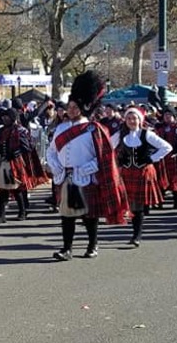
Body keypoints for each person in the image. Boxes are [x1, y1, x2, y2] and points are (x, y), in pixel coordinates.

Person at [46, 71, 131, 260]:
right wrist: (55, 166)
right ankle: (66, 249)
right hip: (65, 177)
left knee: (88, 215)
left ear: (83, 108)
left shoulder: (94, 129)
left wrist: (86, 169)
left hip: (84, 177)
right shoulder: (60, 128)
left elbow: (103, 157)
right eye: (70, 107)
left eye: (75, 107)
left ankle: (93, 245)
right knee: (66, 215)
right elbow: (51, 151)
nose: (72, 110)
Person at [110, 107, 172, 247]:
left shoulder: (147, 134)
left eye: (135, 118)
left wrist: (152, 158)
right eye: (129, 118)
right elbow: (106, 148)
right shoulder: (120, 134)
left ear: (140, 120)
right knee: (130, 205)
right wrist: (116, 161)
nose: (132, 121)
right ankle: (135, 233)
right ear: (125, 120)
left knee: (138, 207)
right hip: (126, 173)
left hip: (143, 172)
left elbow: (167, 147)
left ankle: (136, 235)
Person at [0, 108, 33, 223]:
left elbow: (27, 147)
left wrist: (16, 153)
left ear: (12, 118)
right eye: (3, 116)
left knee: (17, 189)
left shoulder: (20, 130)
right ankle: (1, 215)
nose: (4, 118)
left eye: (7, 116)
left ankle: (23, 212)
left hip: (15, 163)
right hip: (4, 162)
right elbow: (2, 145)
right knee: (3, 190)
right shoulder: (2, 130)